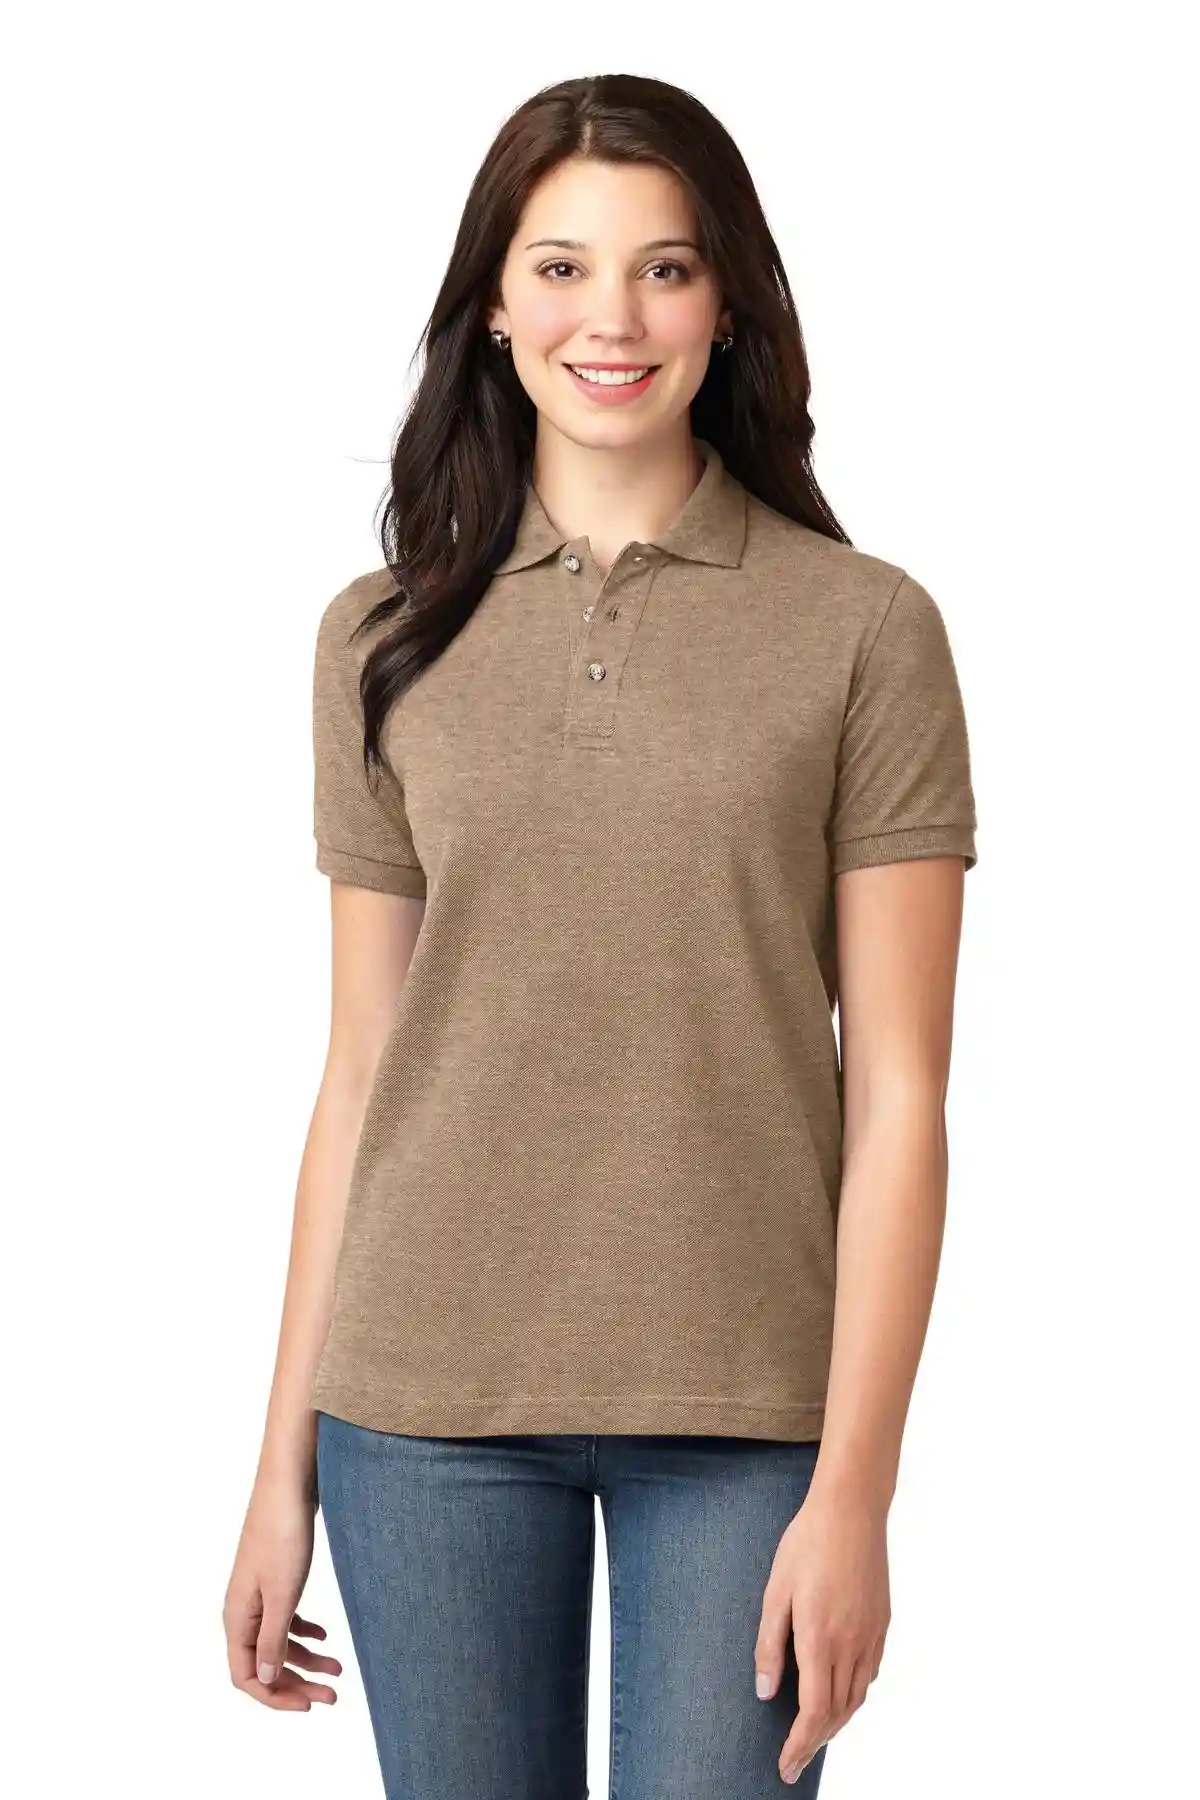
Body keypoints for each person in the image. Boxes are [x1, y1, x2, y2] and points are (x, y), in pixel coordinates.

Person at [222, 72, 978, 1800]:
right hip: (419, 1409)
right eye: (561, 268)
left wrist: (856, 1492)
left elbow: (901, 1097)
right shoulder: (380, 638)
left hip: (748, 1417)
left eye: (665, 269)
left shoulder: (864, 631)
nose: (611, 320)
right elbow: (360, 1077)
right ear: (495, 306)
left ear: (728, 305)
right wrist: (279, 1470)